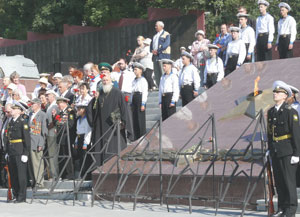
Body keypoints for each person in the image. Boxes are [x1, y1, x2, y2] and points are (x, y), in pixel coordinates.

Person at [267, 81, 300, 217]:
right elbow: (270, 133)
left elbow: (296, 133)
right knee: (279, 181)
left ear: (285, 96)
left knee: (288, 181)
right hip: (276, 150)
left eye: (278, 92)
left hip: (288, 150)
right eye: (275, 92)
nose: (275, 94)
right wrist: (269, 149)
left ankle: (291, 210)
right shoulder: (271, 112)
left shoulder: (290, 112)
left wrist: (297, 153)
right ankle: (282, 208)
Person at [86, 73, 133, 166]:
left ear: (111, 81)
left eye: (107, 80)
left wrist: (124, 123)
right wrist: (94, 100)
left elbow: (124, 109)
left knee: (113, 148)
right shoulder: (100, 94)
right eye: (103, 81)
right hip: (101, 128)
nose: (105, 82)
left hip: (113, 127)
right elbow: (92, 110)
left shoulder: (118, 93)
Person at [4, 101, 31, 203]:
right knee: (14, 174)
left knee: (21, 175)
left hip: (20, 151)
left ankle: (21, 196)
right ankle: (15, 194)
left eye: (14, 109)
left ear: (19, 111)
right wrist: (7, 151)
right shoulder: (10, 122)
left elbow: (26, 139)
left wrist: (25, 153)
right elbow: (7, 137)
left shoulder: (23, 122)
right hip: (11, 151)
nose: (12, 110)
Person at [53, 97, 76, 180]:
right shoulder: (61, 112)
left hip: (67, 137)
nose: (58, 106)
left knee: (67, 156)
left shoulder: (70, 112)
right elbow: (57, 122)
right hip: (61, 138)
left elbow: (70, 125)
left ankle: (69, 175)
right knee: (61, 156)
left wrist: (60, 129)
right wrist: (54, 116)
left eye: (59, 104)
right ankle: (62, 174)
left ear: (64, 103)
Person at [28, 98, 48, 187]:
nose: (31, 105)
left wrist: (41, 144)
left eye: (33, 104)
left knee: (38, 163)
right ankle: (35, 180)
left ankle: (39, 182)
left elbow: (43, 131)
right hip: (30, 142)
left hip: (37, 142)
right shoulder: (30, 114)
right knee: (32, 163)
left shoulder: (42, 115)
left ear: (38, 105)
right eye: (31, 104)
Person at [131, 63, 148, 140]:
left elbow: (145, 92)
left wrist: (143, 103)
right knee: (135, 118)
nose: (134, 71)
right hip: (135, 98)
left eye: (136, 69)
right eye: (134, 69)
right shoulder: (134, 80)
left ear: (140, 70)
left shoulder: (143, 80)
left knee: (140, 119)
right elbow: (132, 91)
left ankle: (142, 136)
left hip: (140, 98)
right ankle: (136, 136)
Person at [74, 104, 92, 178]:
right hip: (79, 138)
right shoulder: (78, 119)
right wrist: (76, 141)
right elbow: (78, 131)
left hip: (84, 138)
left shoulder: (87, 119)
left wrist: (85, 143)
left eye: (80, 109)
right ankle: (81, 174)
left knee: (85, 157)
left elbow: (88, 131)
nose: (78, 111)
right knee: (80, 156)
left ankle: (86, 174)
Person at [151, 21, 171, 86]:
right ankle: (159, 86)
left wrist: (158, 51)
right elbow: (151, 46)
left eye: (156, 25)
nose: (155, 27)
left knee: (163, 71)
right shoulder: (154, 36)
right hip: (155, 56)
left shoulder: (166, 34)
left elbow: (166, 44)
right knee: (157, 73)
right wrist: (152, 51)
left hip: (163, 55)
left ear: (161, 26)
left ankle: (165, 86)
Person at [45, 90, 60, 181]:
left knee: (53, 154)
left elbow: (54, 121)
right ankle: (51, 173)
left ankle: (54, 174)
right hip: (48, 132)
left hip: (52, 132)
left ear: (53, 96)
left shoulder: (54, 106)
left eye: (48, 95)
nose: (47, 97)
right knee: (50, 154)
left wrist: (46, 128)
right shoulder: (49, 106)